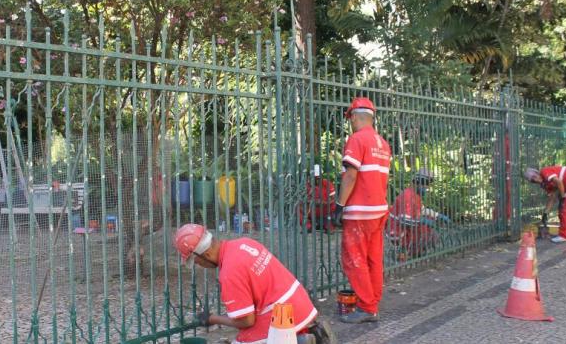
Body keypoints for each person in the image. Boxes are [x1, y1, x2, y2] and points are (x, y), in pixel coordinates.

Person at [173, 223, 334, 344]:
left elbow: (246, 322)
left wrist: (212, 319)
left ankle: (297, 341)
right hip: (302, 305)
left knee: (241, 340)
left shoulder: (229, 273)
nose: (199, 265)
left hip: (282, 318)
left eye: (196, 262)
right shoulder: (245, 243)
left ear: (205, 254)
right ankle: (301, 336)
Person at [331, 97, 392, 324]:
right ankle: (372, 302)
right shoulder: (382, 143)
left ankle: (367, 308)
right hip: (378, 210)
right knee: (373, 259)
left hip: (360, 212)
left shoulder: (357, 140)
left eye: (350, 118)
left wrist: (339, 205)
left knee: (354, 259)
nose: (351, 123)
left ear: (355, 117)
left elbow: (350, 174)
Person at [388, 169, 450, 258]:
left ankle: (414, 251)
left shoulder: (415, 195)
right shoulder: (407, 196)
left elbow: (422, 210)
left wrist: (437, 216)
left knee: (429, 222)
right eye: (425, 185)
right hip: (398, 232)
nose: (427, 188)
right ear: (418, 183)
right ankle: (406, 252)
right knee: (425, 227)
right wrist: (423, 221)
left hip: (405, 229)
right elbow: (405, 221)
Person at [524, 165, 566, 243]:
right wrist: (545, 213)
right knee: (563, 210)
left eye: (535, 176)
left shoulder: (544, 172)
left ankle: (565, 236)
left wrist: (563, 197)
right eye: (532, 180)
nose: (535, 180)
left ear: (537, 173)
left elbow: (558, 182)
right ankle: (564, 233)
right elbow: (552, 197)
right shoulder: (545, 184)